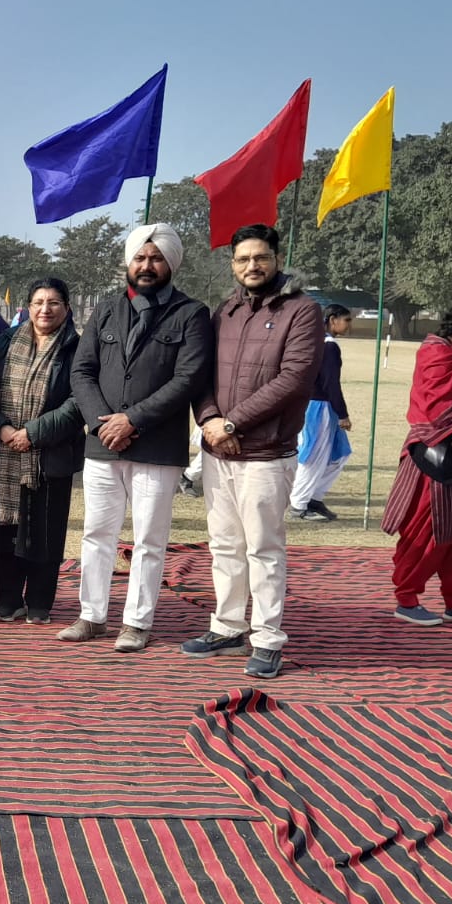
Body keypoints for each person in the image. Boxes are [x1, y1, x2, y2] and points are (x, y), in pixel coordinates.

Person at [64, 223, 213, 652]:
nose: (147, 265)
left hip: (156, 446)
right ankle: (92, 616)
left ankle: (136, 622)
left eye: (156, 258)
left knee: (148, 538)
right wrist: (101, 423)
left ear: (171, 263)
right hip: (102, 445)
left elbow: (188, 378)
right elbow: (82, 371)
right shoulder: (107, 309)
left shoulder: (191, 314)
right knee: (97, 533)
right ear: (129, 262)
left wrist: (131, 420)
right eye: (140, 257)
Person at [182, 226, 323, 680]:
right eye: (243, 259)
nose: (252, 266)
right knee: (225, 546)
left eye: (260, 257)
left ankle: (266, 639)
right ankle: (227, 627)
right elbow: (200, 374)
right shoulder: (225, 311)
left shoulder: (302, 311)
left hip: (267, 453)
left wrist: (232, 423)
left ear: (277, 259)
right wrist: (210, 421)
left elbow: (294, 379)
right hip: (219, 452)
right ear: (233, 265)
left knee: (264, 549)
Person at [0, 277, 83, 624]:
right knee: (6, 530)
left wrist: (33, 433)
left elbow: (78, 402)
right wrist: (1, 428)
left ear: (67, 308)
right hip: (6, 450)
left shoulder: (77, 347)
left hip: (49, 454)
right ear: (28, 307)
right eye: (38, 302)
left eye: (54, 303)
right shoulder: (6, 342)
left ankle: (39, 601)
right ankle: (7, 600)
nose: (45, 309)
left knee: (45, 530)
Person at [381, 297, 452, 628]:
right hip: (434, 453)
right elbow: (436, 411)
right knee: (427, 528)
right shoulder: (436, 353)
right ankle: (407, 598)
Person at [289, 304, 354, 521]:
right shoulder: (328, 346)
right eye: (346, 320)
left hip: (320, 405)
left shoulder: (316, 342)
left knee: (339, 454)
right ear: (333, 320)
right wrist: (342, 413)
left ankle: (314, 497)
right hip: (319, 406)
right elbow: (330, 383)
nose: (349, 325)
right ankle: (298, 504)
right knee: (314, 456)